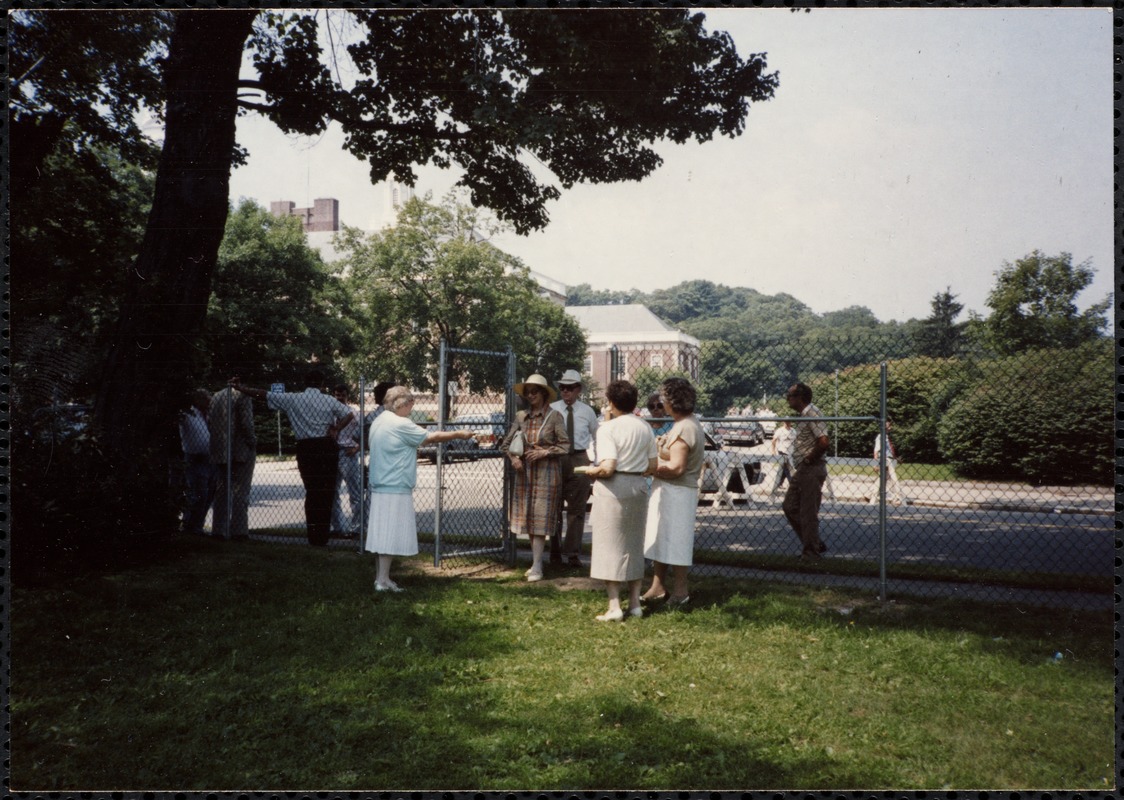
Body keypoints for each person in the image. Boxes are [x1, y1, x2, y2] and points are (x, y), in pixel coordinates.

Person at [366, 386, 476, 592]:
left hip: (381, 483)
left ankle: (382, 577)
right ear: (402, 404)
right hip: (395, 484)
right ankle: (381, 581)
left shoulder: (379, 420)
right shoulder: (400, 423)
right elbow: (430, 438)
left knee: (383, 534)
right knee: (388, 534)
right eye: (410, 403)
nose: (412, 407)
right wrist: (459, 434)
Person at [233, 371, 354, 547]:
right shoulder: (328, 399)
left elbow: (263, 394)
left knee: (312, 491)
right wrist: (336, 429)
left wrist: (241, 388)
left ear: (304, 383)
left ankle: (314, 536)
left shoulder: (294, 398)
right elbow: (349, 415)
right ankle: (323, 536)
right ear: (321, 384)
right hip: (326, 446)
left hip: (306, 447)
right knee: (326, 492)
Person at [585, 380, 658, 622]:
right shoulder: (644, 427)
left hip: (614, 488)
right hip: (638, 486)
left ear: (612, 402)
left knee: (609, 546)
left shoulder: (608, 429)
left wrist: (590, 471)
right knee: (634, 545)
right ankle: (635, 603)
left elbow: (607, 467)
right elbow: (653, 466)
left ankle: (614, 606)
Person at [640, 377, 706, 607]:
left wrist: (648, 469)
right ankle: (657, 587)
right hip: (668, 491)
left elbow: (677, 468)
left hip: (678, 493)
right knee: (659, 538)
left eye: (664, 398)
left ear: (672, 401)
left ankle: (680, 592)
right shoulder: (685, 423)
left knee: (676, 542)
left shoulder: (685, 427)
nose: (661, 403)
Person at [499, 374, 570, 582]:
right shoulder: (521, 416)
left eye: (535, 392)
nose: (531, 395)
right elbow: (506, 444)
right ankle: (535, 561)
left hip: (547, 473)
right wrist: (514, 459)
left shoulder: (555, 416)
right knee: (529, 518)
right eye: (528, 392)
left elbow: (565, 445)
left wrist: (544, 452)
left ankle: (537, 565)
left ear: (544, 394)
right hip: (525, 474)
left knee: (541, 517)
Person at [550, 369, 599, 567]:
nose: (566, 392)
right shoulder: (552, 408)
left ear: (578, 389)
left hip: (579, 458)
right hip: (556, 458)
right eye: (562, 388)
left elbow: (597, 436)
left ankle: (572, 554)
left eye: (570, 388)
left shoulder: (587, 411)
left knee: (577, 509)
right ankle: (554, 553)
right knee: (553, 507)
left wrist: (596, 461)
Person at [782, 382, 830, 558]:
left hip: (811, 468)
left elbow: (823, 441)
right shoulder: (803, 415)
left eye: (790, 395)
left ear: (800, 397)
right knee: (789, 506)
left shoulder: (812, 413)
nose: (787, 399)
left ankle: (811, 552)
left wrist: (809, 459)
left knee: (807, 511)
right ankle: (813, 542)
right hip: (803, 469)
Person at [209, 384, 257, 541]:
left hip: (221, 449)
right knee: (240, 490)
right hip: (240, 449)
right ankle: (239, 531)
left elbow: (211, 421)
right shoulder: (243, 395)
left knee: (222, 491)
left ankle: (218, 530)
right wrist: (252, 442)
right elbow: (246, 423)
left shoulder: (216, 396)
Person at [178, 388, 215, 535]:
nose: (210, 401)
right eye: (207, 399)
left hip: (209, 457)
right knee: (198, 493)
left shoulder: (206, 414)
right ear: (199, 400)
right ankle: (190, 526)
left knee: (208, 493)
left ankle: (197, 525)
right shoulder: (188, 414)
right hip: (194, 457)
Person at [330, 384, 364, 538]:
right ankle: (337, 527)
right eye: (337, 395)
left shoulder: (354, 413)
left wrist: (357, 448)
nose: (339, 398)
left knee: (354, 492)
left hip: (348, 453)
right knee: (332, 492)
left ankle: (356, 528)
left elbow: (364, 434)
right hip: (333, 453)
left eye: (342, 395)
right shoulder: (329, 413)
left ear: (347, 396)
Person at [872, 420, 908, 505]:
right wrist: (875, 463)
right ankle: (899, 497)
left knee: (882, 479)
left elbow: (889, 451)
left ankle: (870, 495)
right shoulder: (880, 437)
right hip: (885, 460)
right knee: (894, 478)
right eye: (888, 426)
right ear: (884, 428)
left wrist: (896, 459)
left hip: (889, 459)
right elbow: (876, 450)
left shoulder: (886, 437)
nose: (890, 428)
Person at [769, 419, 796, 496]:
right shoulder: (780, 430)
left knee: (784, 468)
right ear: (783, 422)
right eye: (786, 422)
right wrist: (773, 450)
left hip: (790, 452)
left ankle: (779, 483)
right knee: (787, 469)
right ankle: (792, 485)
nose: (787, 423)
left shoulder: (793, 431)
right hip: (782, 451)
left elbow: (796, 441)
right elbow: (773, 440)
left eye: (789, 421)